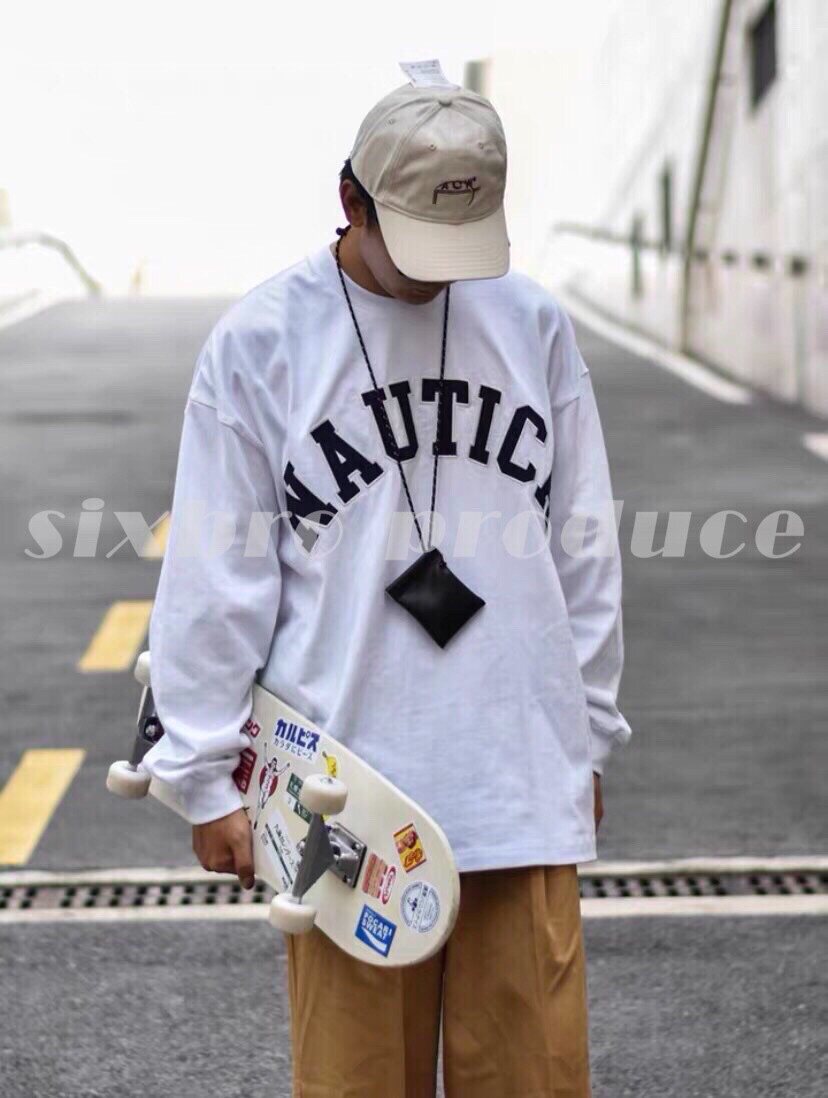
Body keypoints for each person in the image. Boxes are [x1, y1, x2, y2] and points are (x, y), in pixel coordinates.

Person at [142, 70, 631, 1098]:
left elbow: (582, 543)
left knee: (537, 1081)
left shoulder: (532, 324)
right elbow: (216, 574)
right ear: (350, 201)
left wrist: (588, 731)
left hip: (516, 774)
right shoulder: (263, 342)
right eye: (418, 241)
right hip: (340, 796)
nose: (440, 274)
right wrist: (202, 770)